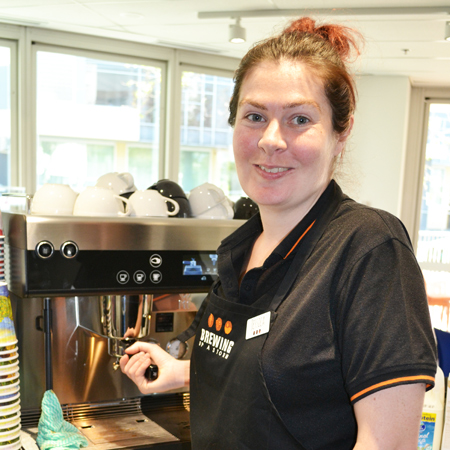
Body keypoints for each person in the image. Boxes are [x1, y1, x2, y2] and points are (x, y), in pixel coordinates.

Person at [120, 17, 437, 449]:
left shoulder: (368, 249)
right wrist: (177, 372)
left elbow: (389, 444)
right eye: (255, 116)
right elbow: (276, 375)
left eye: (299, 119)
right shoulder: (241, 247)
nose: (271, 140)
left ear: (340, 134)